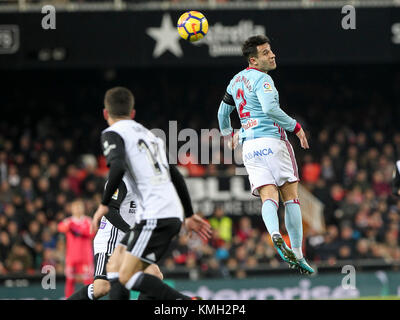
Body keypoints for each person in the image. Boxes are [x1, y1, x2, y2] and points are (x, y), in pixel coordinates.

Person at [91, 87, 212, 299]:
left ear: (105, 113)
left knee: (124, 276)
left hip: (153, 215)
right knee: (117, 265)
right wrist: (189, 213)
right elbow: (176, 175)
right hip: (169, 213)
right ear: (133, 113)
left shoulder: (112, 133)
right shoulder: (150, 136)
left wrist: (103, 204)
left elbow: (117, 166)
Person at [217, 35, 314, 274]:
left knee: (268, 197)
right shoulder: (264, 80)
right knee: (291, 196)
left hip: (249, 146)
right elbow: (270, 109)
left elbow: (222, 112)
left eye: (271, 50)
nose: (272, 55)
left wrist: (229, 134)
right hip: (273, 140)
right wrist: (296, 127)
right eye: (266, 53)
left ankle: (273, 234)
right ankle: (298, 253)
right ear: (254, 60)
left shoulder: (236, 80)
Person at [67, 177, 162, 300]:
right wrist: (132, 233)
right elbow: (110, 210)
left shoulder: (148, 181)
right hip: (111, 240)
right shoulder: (122, 180)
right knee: (101, 288)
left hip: (131, 242)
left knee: (154, 275)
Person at [58, 198, 95, 298]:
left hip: (86, 256)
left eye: (79, 207)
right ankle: (69, 298)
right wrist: (70, 227)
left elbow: (92, 232)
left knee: (88, 280)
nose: (78, 209)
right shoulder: (69, 221)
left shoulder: (88, 220)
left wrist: (77, 229)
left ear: (83, 209)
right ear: (72, 209)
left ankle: (89, 298)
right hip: (72, 256)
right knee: (70, 280)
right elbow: (60, 227)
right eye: (75, 207)